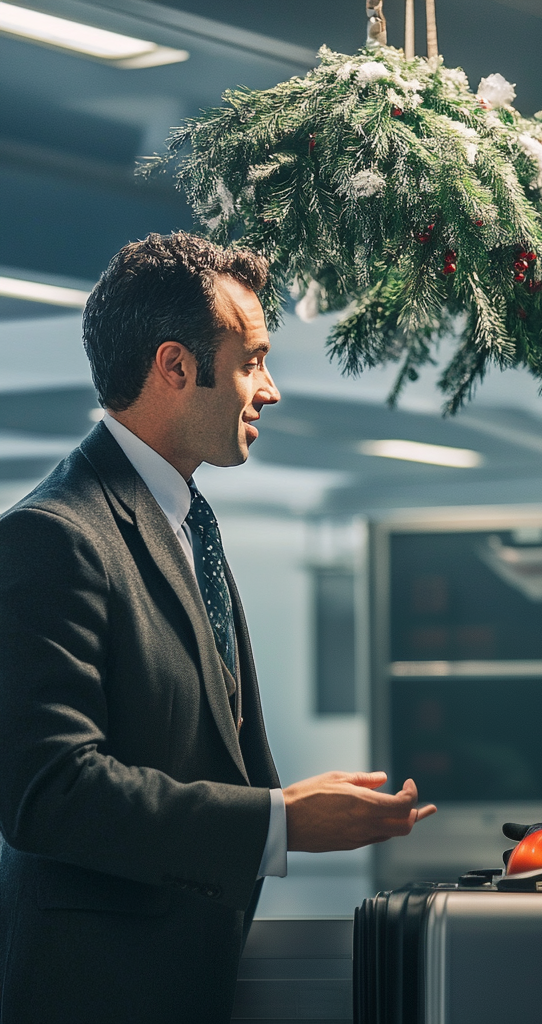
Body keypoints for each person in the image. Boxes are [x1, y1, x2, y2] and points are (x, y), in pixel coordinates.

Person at [0, 232, 436, 1024]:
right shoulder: (53, 535)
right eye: (254, 360)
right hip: (95, 996)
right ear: (175, 366)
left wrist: (287, 808)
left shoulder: (185, 520)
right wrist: (280, 822)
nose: (269, 389)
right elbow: (48, 792)